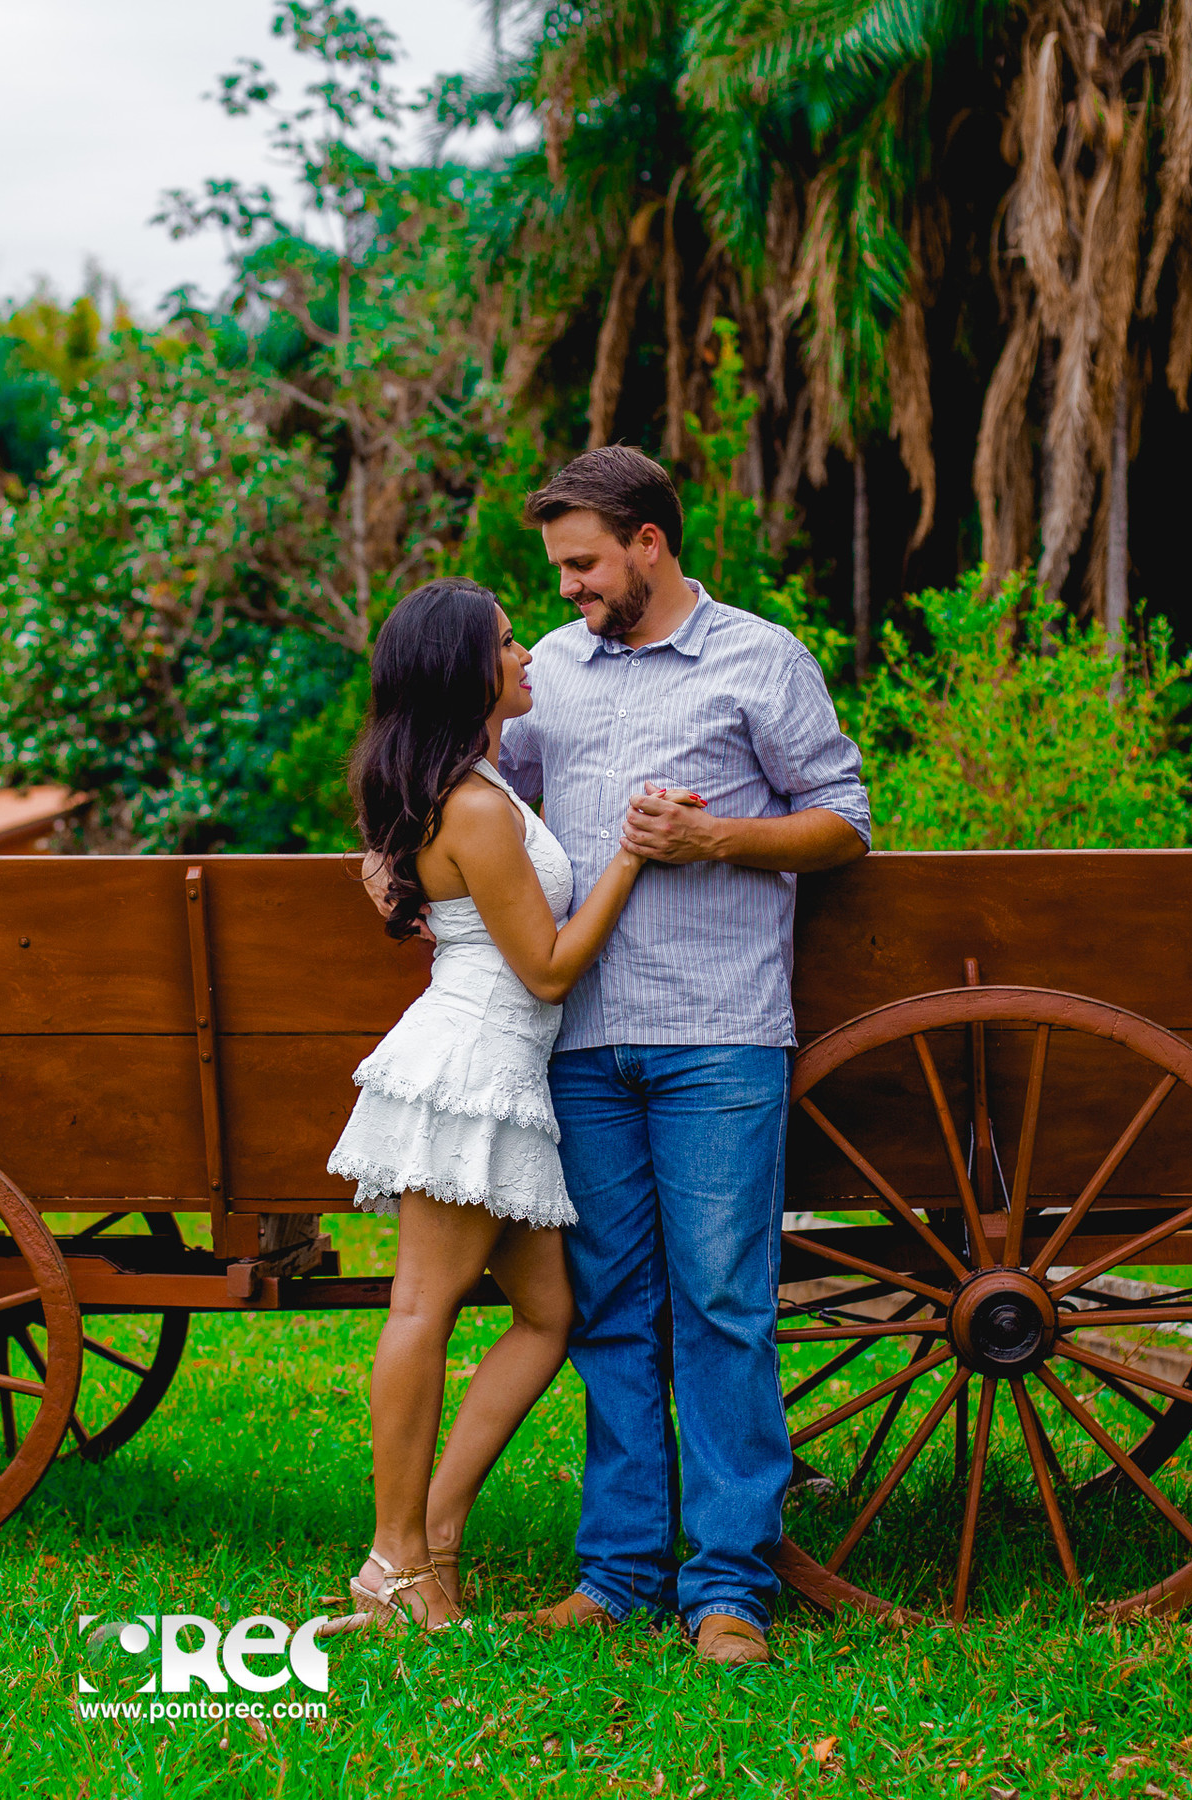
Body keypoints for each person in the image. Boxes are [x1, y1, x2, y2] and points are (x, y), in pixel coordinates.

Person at [499, 446, 871, 1665]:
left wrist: (718, 839)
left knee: (723, 1308)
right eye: (560, 567)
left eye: (584, 563)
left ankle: (727, 1590)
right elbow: (487, 802)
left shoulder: (761, 657)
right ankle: (616, 1576)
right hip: (584, 1039)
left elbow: (844, 823)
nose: (567, 588)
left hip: (719, 1030)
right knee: (613, 1311)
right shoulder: (551, 670)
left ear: (650, 545)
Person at [325, 578, 698, 1633]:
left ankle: (431, 1544)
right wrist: (631, 855)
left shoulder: (470, 783)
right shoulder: (479, 804)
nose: (526, 652)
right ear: (466, 671)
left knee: (550, 1313)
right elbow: (545, 970)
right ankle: (392, 1563)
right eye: (503, 644)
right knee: (421, 1309)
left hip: (496, 1069)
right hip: (477, 1069)